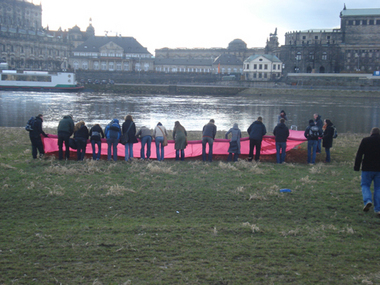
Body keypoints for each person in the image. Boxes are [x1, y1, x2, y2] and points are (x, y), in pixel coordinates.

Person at [354, 127, 380, 214]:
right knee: (378, 188)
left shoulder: (365, 140)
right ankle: (378, 209)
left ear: (371, 133)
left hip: (367, 168)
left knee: (365, 185)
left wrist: (357, 166)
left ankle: (368, 200)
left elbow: (359, 154)